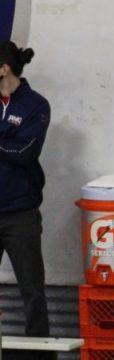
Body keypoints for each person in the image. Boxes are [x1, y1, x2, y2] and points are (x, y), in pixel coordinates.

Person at [0, 42, 50, 337]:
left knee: (32, 292)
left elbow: (26, 152)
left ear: (4, 68)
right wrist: (8, 138)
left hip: (21, 215)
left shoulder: (35, 105)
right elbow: (13, 147)